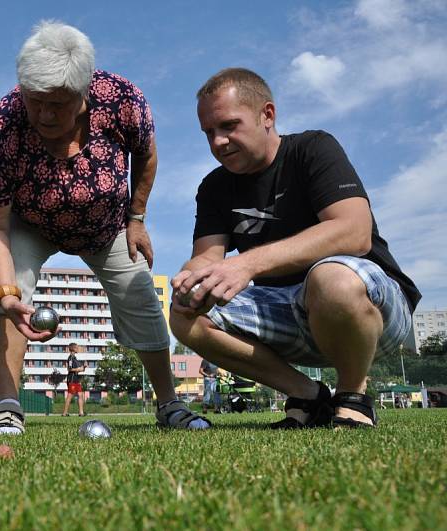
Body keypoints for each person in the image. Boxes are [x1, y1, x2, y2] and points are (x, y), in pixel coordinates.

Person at [0, 21, 210, 434]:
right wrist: (9, 292)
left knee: (140, 293)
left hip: (107, 225)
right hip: (29, 223)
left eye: (57, 103)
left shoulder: (120, 99)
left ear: (84, 91)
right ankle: (7, 405)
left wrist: (137, 218)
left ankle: (169, 404)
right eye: (34, 100)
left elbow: (146, 157)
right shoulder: (0, 126)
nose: (44, 114)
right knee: (3, 289)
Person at [170, 68, 420, 429]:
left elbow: (355, 232)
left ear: (267, 115)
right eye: (209, 132)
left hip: (369, 309)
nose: (218, 142)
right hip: (287, 312)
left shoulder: (312, 149)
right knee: (184, 314)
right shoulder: (214, 187)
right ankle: (307, 394)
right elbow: (208, 255)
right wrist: (191, 282)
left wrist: (247, 266)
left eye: (228, 126)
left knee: (331, 278)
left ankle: (353, 397)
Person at [62, 343, 88, 416]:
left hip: (76, 379)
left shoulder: (75, 359)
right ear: (73, 349)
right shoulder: (70, 358)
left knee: (80, 395)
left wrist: (84, 367)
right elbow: (69, 369)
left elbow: (80, 370)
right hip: (72, 379)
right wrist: (78, 368)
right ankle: (64, 413)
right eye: (77, 347)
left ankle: (81, 412)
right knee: (70, 395)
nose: (78, 348)